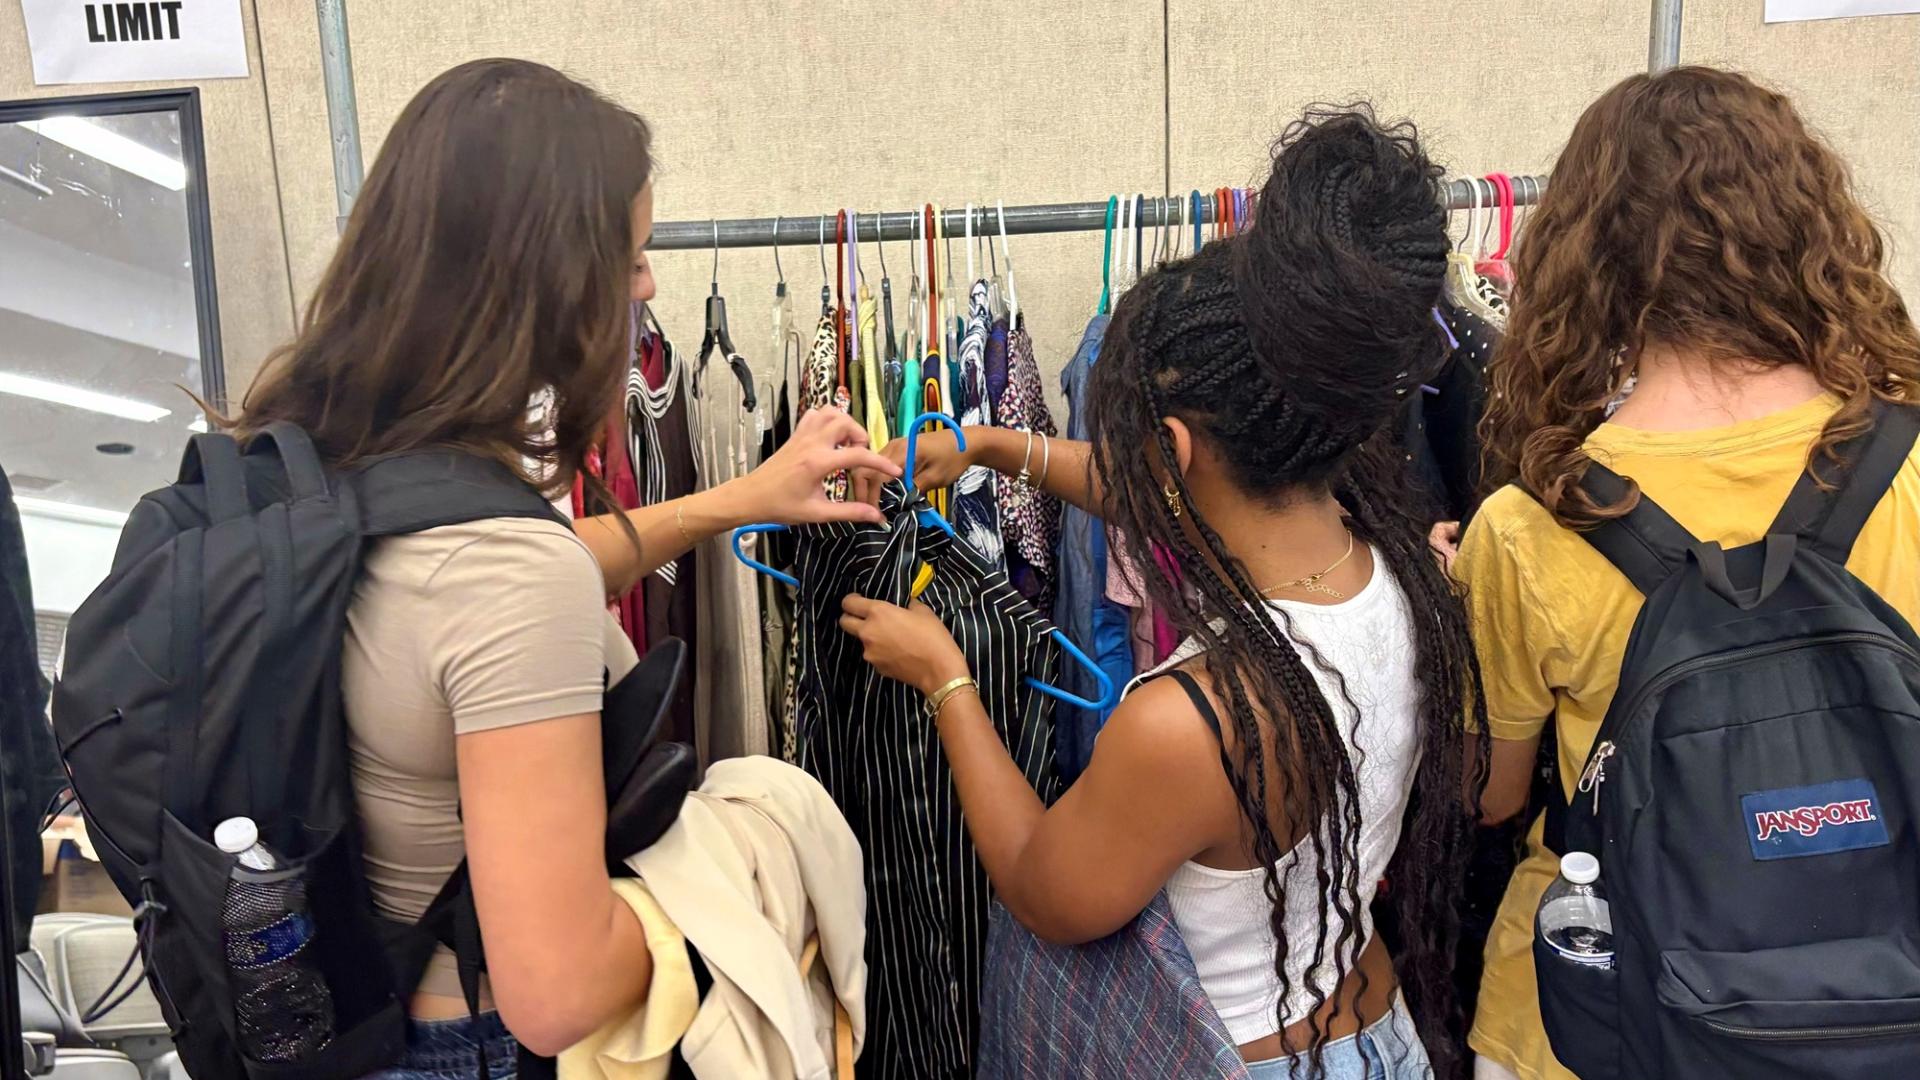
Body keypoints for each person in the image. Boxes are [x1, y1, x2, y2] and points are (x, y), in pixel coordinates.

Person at [234, 59, 896, 1077]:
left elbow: (482, 612)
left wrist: (742, 498)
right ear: (545, 280)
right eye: (628, 256)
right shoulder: (500, 567)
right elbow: (557, 990)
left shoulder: (323, 461)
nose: (649, 285)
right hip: (478, 1042)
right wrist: (742, 874)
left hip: (348, 1014)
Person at [842, 107, 1485, 1079]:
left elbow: (1044, 889)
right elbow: (1162, 494)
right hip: (1378, 1035)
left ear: (1179, 453)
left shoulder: (1196, 722)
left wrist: (947, 681)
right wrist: (990, 447)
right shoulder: (1393, 569)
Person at [1457, 67, 1920, 1080]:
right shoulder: (1914, 465)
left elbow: (1492, 797)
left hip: (1596, 1016)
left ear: (1589, 253)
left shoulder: (1530, 527)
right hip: (1882, 1004)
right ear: (1810, 227)